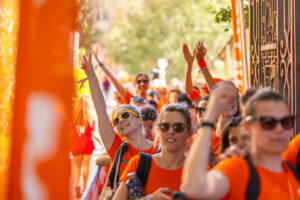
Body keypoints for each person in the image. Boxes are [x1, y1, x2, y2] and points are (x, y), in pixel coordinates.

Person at [182, 85, 300, 199]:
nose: (279, 129)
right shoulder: (239, 169)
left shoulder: (290, 169)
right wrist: (210, 117)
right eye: (268, 122)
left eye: (286, 122)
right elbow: (193, 187)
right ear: (248, 128)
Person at [81, 53, 158, 184]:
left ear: (139, 119)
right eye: (116, 121)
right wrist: (91, 76)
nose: (121, 120)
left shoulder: (159, 148)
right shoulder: (117, 148)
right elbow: (101, 111)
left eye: (125, 115)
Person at [113, 104, 193, 200]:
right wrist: (150, 198)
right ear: (158, 131)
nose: (171, 131)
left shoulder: (200, 170)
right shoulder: (138, 163)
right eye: (165, 126)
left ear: (189, 132)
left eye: (178, 127)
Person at [70, 95, 101, 198]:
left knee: (77, 166)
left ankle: (77, 185)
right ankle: (84, 188)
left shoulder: (73, 115)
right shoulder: (90, 116)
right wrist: (100, 141)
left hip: (75, 143)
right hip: (87, 144)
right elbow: (93, 134)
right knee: (86, 167)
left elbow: (69, 129)